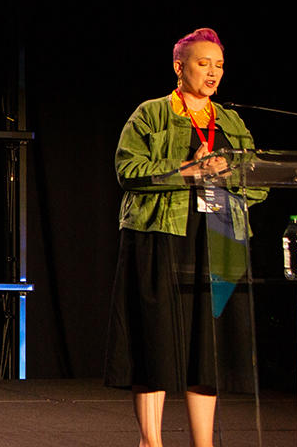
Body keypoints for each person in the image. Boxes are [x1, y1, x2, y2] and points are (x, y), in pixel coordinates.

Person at [104, 28, 267, 447]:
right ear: (179, 67)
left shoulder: (230, 120)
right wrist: (186, 170)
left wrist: (230, 175)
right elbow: (128, 171)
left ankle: (203, 443)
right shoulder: (151, 114)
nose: (213, 73)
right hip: (160, 233)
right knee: (155, 339)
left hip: (218, 237)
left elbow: (261, 184)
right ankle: (151, 442)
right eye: (203, 64)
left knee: (206, 348)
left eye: (219, 66)